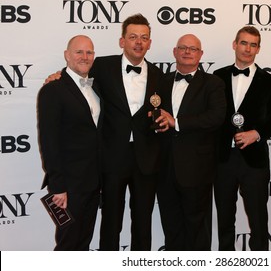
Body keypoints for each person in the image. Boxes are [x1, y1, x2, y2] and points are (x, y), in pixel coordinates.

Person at [45, 14, 167, 251]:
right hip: (111, 158)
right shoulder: (101, 66)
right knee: (111, 221)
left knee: (143, 222)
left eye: (144, 37)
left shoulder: (159, 75)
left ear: (150, 43)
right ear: (122, 41)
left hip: (146, 159)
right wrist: (56, 75)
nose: (138, 42)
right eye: (133, 37)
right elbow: (75, 74)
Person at [157, 34, 226, 250]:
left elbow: (215, 118)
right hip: (165, 168)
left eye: (193, 49)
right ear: (175, 52)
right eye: (183, 48)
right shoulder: (161, 81)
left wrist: (176, 122)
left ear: (201, 55)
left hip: (198, 169)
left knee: (198, 230)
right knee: (171, 227)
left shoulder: (213, 83)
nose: (187, 52)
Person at [213, 26, 271, 251]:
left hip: (254, 160)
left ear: (258, 49)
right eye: (243, 43)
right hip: (223, 158)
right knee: (224, 216)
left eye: (253, 45)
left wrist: (257, 133)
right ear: (234, 44)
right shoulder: (217, 77)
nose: (247, 49)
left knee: (259, 218)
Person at [37, 35, 103, 250]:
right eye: (79, 52)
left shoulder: (97, 87)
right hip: (68, 186)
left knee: (84, 241)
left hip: (93, 183)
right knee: (67, 244)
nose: (85, 57)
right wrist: (57, 186)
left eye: (89, 52)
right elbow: (49, 141)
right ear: (67, 55)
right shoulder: (52, 90)